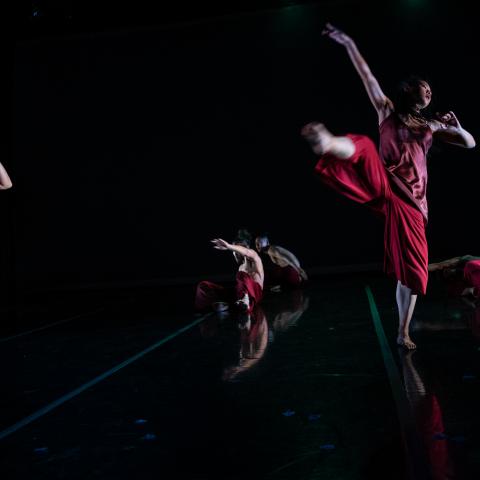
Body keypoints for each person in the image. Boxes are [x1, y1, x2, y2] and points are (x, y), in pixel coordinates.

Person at [301, 23, 476, 349]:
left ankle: (402, 331)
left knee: (415, 273)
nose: (429, 92)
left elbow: (470, 143)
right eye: (423, 87)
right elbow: (367, 76)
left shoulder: (431, 124)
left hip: (413, 203)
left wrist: (458, 125)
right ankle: (328, 142)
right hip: (386, 183)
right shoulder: (387, 111)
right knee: (366, 147)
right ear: (409, 90)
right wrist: (348, 41)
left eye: (430, 90)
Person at [194, 230, 264, 313]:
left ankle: (245, 303)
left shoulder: (254, 257)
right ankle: (215, 306)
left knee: (241, 275)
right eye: (234, 252)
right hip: (240, 294)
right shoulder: (241, 267)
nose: (235, 254)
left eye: (237, 251)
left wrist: (228, 246)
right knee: (204, 285)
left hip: (255, 294)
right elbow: (240, 286)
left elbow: (247, 252)